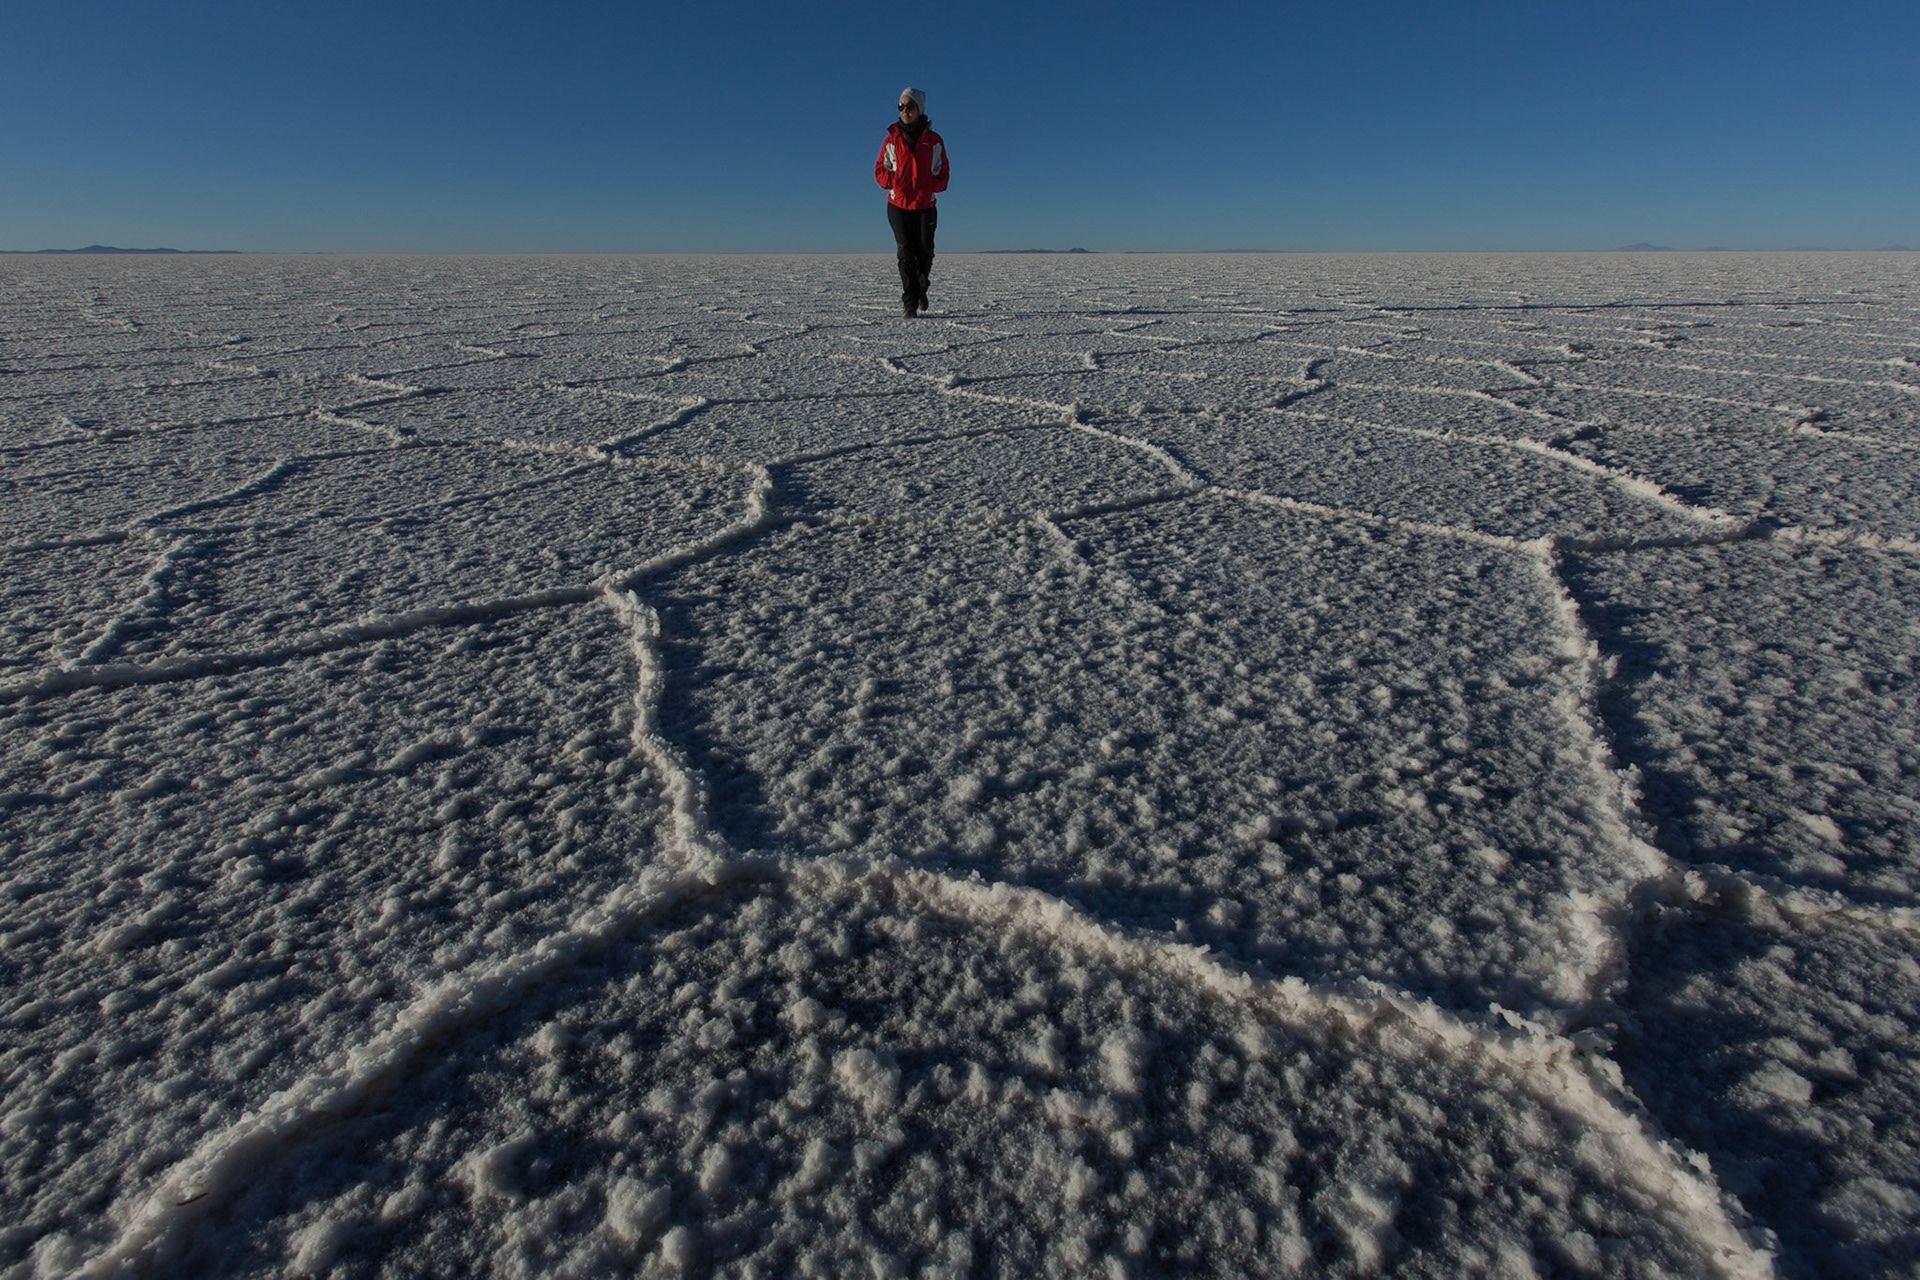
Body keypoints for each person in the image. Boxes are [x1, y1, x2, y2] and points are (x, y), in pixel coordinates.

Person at [875, 87, 948, 317]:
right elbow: (879, 171)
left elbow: (943, 175)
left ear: (920, 109)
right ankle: (910, 303)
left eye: (910, 106)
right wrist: (895, 181)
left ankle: (921, 288)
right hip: (899, 206)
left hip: (926, 206)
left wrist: (928, 185)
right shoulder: (891, 140)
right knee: (906, 251)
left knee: (925, 251)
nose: (905, 110)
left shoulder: (934, 141)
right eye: (901, 106)